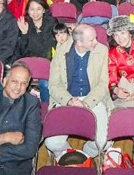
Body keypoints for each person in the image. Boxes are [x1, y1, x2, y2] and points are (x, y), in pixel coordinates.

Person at [47, 23, 111, 161]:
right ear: (79, 42)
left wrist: (86, 103)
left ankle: (85, 154)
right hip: (67, 99)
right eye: (92, 40)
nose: (96, 42)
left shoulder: (102, 50)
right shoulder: (61, 52)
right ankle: (68, 153)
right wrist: (69, 101)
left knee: (104, 142)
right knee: (52, 142)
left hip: (93, 98)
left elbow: (103, 84)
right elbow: (54, 85)